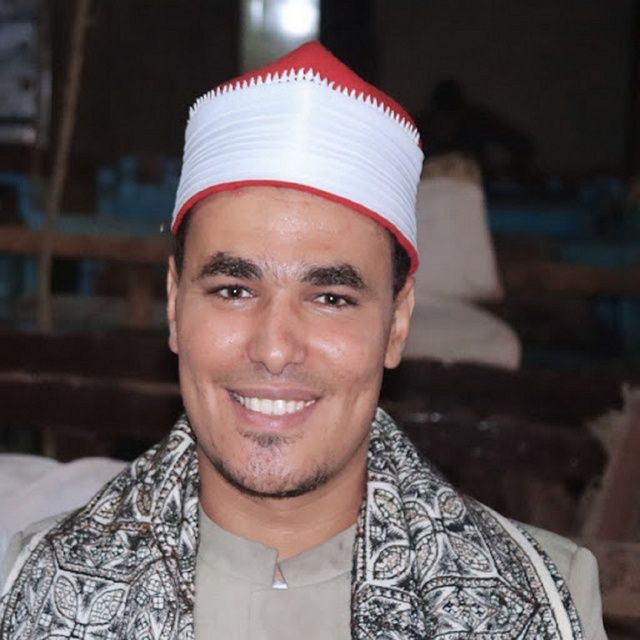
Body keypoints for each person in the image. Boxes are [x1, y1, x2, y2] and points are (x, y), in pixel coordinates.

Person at [0, 42, 605, 639]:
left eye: (331, 298)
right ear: (174, 305)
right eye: (234, 289)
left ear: (397, 323)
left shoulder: (541, 601)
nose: (274, 348)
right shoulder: (36, 585)